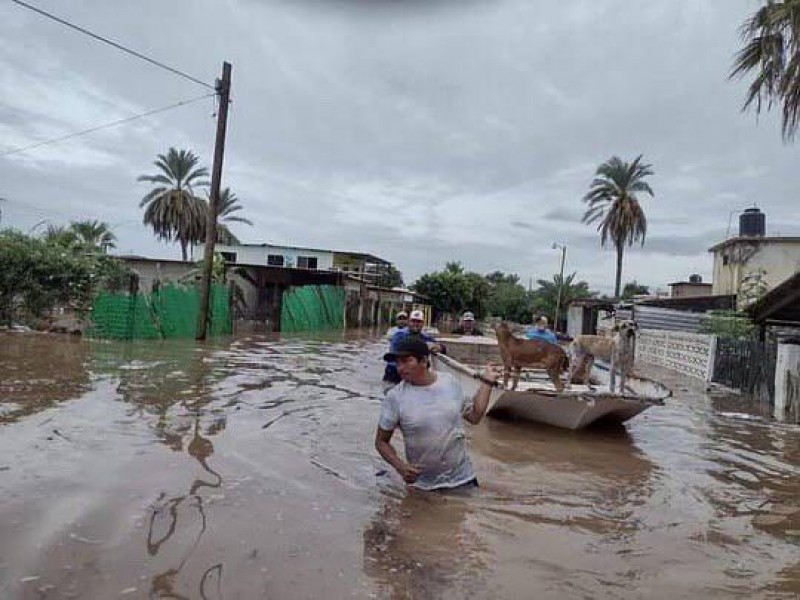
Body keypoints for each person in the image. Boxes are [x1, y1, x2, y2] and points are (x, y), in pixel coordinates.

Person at [375, 336, 502, 490]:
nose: (400, 368)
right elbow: (381, 442)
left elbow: (474, 416)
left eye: (406, 361)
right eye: (398, 362)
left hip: (463, 480)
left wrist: (487, 382)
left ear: (423, 361)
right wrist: (400, 467)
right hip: (423, 486)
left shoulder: (450, 382)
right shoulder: (394, 398)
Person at [383, 310, 443, 384]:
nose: (416, 324)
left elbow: (440, 346)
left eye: (418, 322)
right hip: (394, 372)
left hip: (412, 373)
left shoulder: (424, 336)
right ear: (408, 322)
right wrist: (425, 347)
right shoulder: (399, 335)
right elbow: (396, 355)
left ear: (422, 324)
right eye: (413, 321)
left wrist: (439, 347)